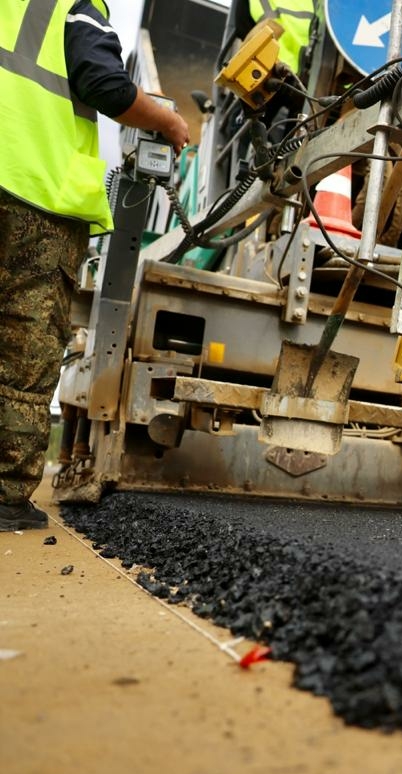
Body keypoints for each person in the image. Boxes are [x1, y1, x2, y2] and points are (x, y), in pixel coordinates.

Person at [0, 0, 189, 531]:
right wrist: (167, 120)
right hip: (32, 190)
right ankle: (5, 496)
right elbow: (103, 82)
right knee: (25, 345)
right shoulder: (75, 4)